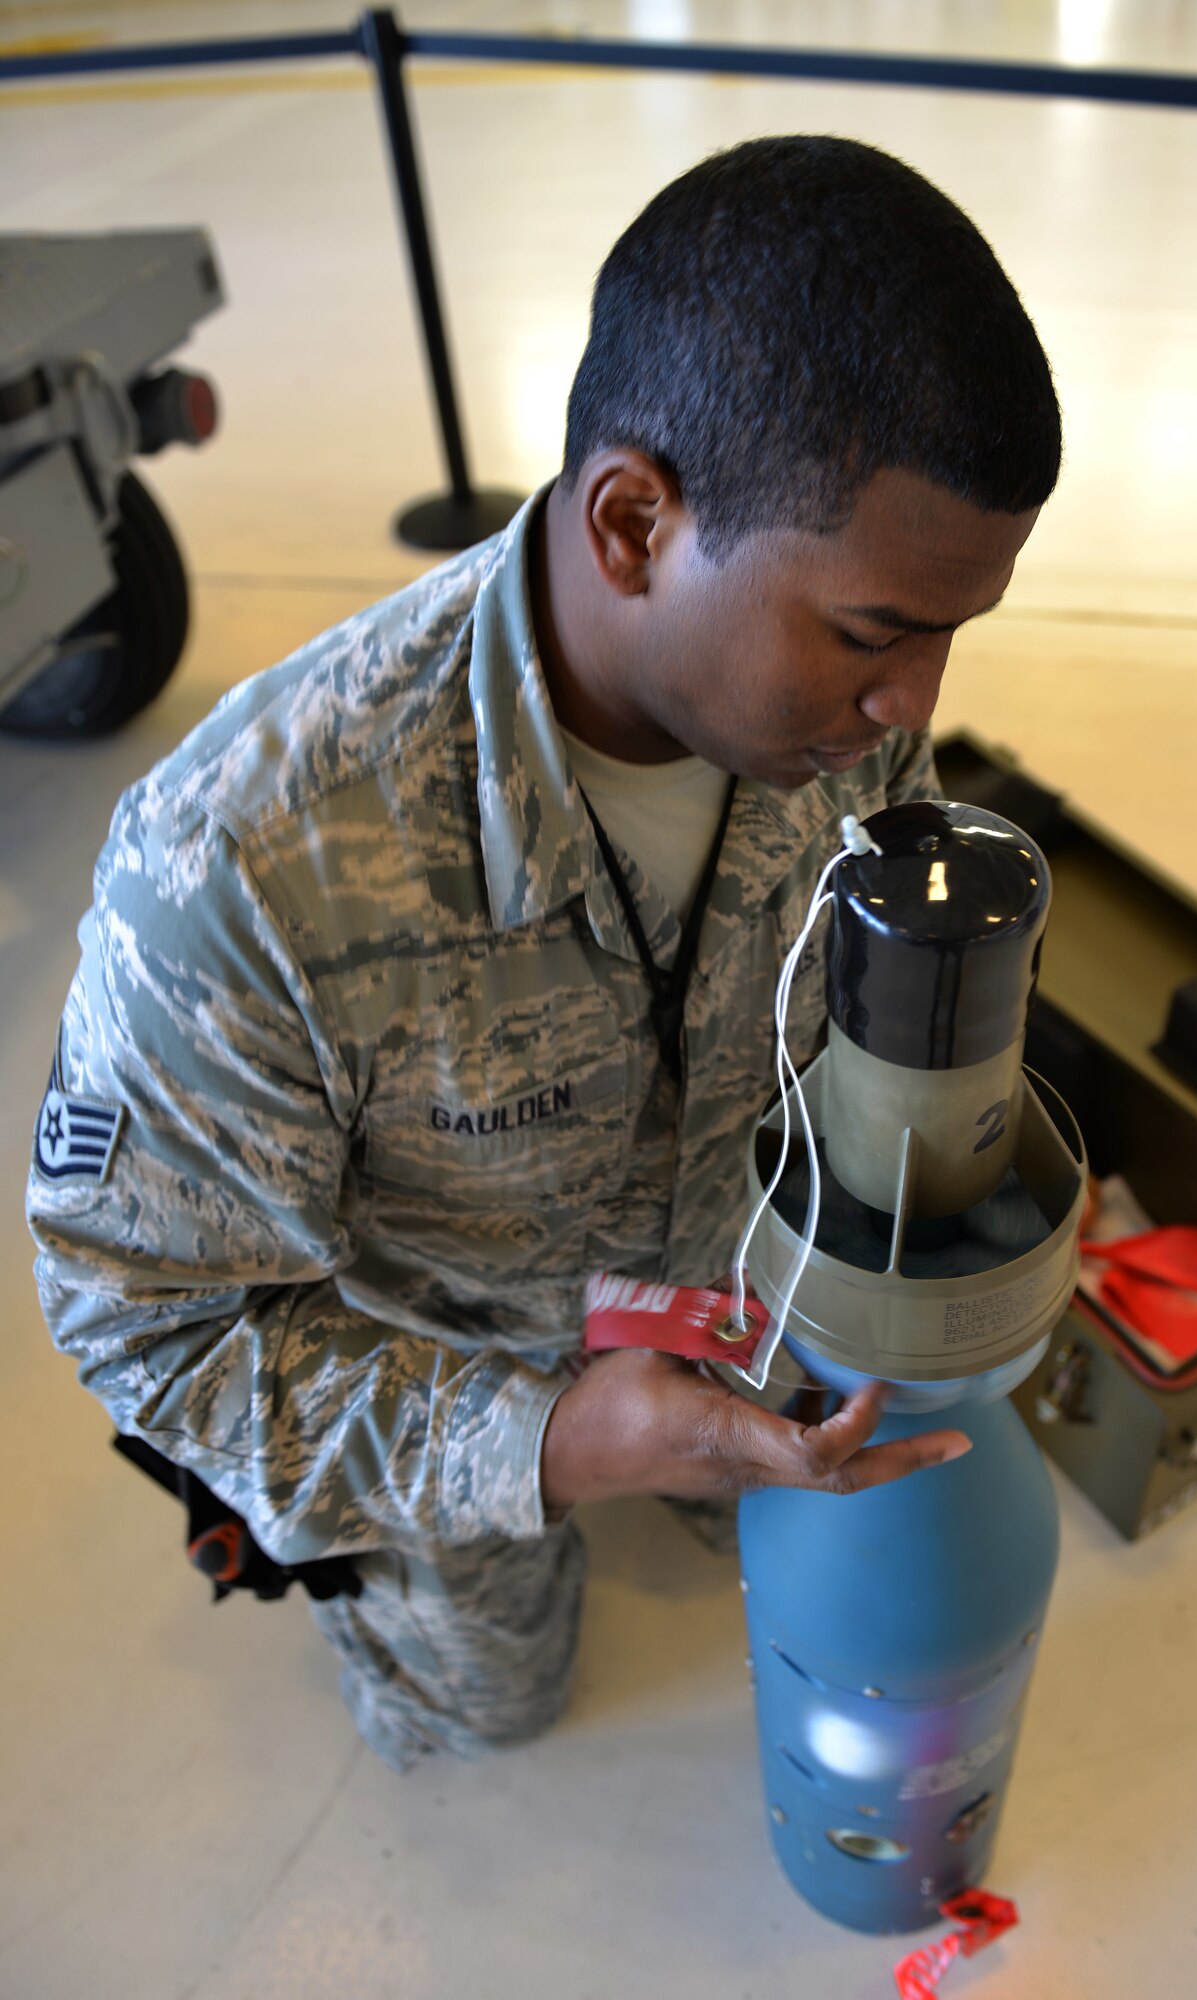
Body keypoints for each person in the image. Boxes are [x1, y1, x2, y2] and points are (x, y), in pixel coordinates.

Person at [26, 135, 1061, 1772]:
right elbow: (150, 1321)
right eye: (874, 631)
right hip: (442, 1371)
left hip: (741, 1285)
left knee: (817, 1533)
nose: (914, 709)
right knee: (489, 1712)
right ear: (638, 521)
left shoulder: (835, 734)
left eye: (949, 635)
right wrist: (558, 1441)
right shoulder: (250, 858)